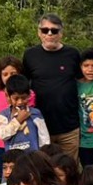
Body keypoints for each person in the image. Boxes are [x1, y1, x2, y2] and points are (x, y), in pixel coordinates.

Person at [22, 13, 82, 158]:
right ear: (39, 32)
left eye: (54, 30)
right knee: (42, 170)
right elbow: (22, 86)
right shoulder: (30, 55)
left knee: (69, 170)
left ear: (61, 33)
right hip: (40, 125)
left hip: (69, 127)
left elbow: (85, 80)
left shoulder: (73, 54)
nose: (49, 34)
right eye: (45, 30)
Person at [0, 74, 50, 153]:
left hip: (32, 159)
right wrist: (18, 120)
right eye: (16, 98)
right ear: (8, 96)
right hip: (14, 161)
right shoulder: (4, 116)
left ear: (29, 95)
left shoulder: (35, 114)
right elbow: (2, 135)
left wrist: (44, 155)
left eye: (24, 98)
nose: (20, 102)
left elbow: (44, 138)